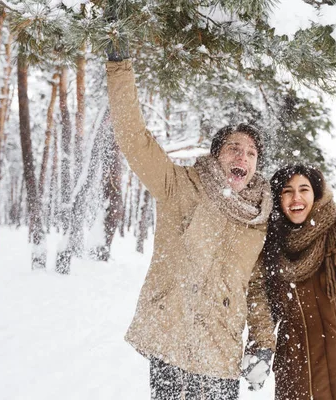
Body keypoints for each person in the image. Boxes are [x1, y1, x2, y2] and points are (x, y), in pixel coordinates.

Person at [104, 18, 275, 400]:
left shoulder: (259, 218)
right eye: (233, 147)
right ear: (217, 156)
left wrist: (263, 344)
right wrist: (119, 66)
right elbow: (134, 139)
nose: (242, 156)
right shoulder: (180, 186)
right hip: (172, 339)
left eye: (250, 153)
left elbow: (258, 287)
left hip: (220, 351)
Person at [244, 148, 336, 399]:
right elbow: (259, 300)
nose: (296, 198)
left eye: (304, 189)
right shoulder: (269, 242)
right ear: (278, 199)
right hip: (295, 374)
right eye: (287, 191)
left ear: (316, 194)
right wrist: (257, 347)